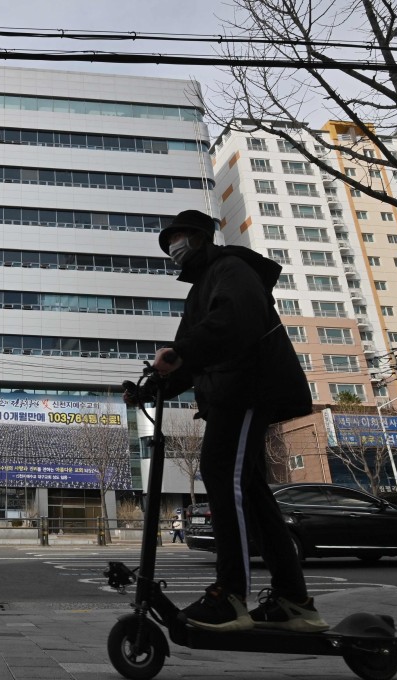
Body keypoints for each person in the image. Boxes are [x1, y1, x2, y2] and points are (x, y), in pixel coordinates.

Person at [126, 209, 328, 634]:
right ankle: (294, 601)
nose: (174, 247)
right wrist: (150, 389)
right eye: (169, 243)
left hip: (248, 388)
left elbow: (233, 322)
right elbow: (189, 355)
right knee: (251, 491)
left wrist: (180, 354)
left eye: (179, 237)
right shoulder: (201, 288)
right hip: (232, 393)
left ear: (200, 237)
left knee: (220, 471)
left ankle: (231, 595)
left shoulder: (230, 268)